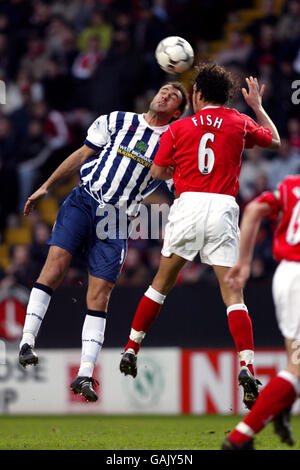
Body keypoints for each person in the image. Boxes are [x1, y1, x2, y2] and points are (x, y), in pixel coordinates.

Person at [120, 64, 281, 410]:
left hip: (189, 203)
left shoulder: (179, 127)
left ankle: (132, 348)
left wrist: (180, 168)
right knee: (233, 294)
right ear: (226, 96)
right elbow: (275, 142)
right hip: (223, 208)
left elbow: (158, 171)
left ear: (197, 95)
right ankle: (247, 367)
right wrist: (256, 106)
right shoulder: (239, 122)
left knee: (160, 284)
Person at [18, 81, 189, 402]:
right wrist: (46, 186)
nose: (164, 95)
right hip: (84, 200)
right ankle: (27, 341)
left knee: (100, 294)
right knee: (54, 268)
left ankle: (85, 374)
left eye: (173, 97)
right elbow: (82, 154)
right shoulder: (116, 120)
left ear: (177, 112)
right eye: (164, 89)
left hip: (117, 220)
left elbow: (171, 180)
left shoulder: (173, 141)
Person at [222, 174, 300, 450]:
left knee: (295, 362)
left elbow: (254, 209)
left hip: (286, 274)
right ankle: (240, 437)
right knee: (297, 367)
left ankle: (280, 408)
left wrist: (243, 262)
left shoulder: (292, 185)